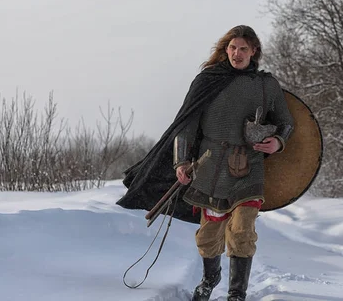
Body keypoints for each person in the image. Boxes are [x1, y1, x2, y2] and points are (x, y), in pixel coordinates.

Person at [117, 25, 294, 301]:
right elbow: (186, 125)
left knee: (242, 229)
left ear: (254, 51)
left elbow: (286, 122)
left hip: (250, 168)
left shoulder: (266, 85)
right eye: (233, 48)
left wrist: (277, 141)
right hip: (210, 166)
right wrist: (181, 162)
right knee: (209, 235)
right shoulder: (207, 81)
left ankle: (237, 293)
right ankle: (210, 278)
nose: (237, 53)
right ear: (226, 49)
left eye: (243, 49)